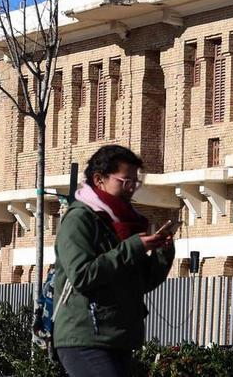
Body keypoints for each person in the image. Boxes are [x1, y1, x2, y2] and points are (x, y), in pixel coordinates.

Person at [53, 145, 175, 377]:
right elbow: (82, 275)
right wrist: (132, 247)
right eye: (125, 181)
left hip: (118, 337)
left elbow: (142, 282)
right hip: (85, 336)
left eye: (135, 182)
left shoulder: (123, 222)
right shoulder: (80, 219)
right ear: (99, 180)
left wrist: (162, 252)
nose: (131, 188)